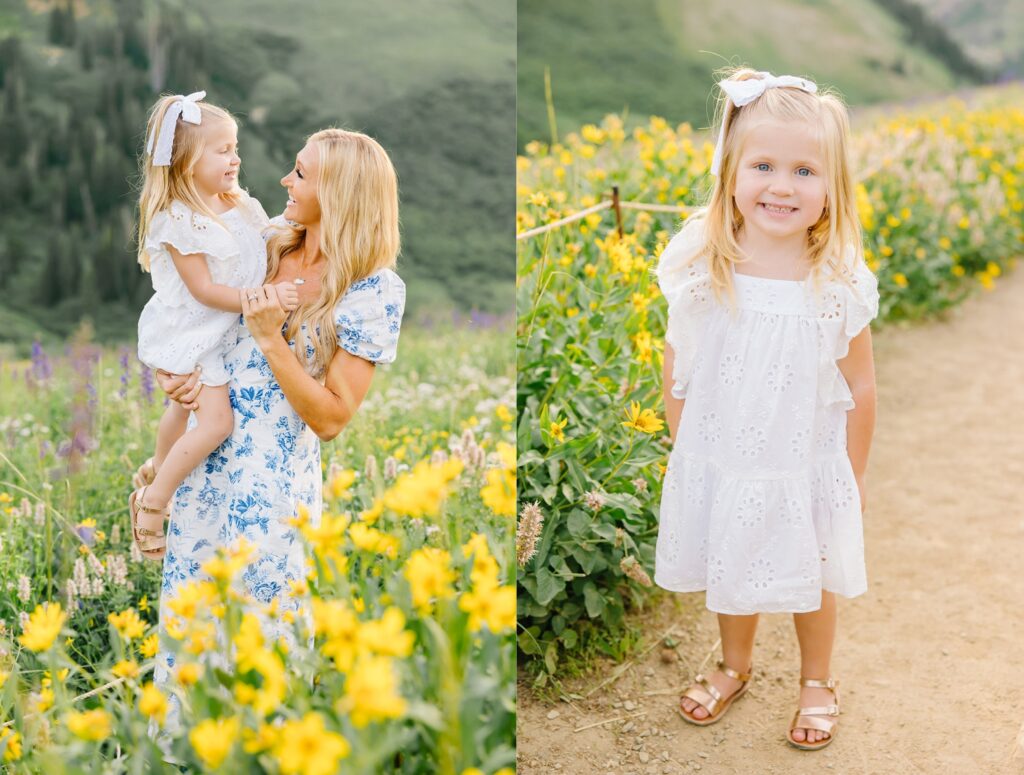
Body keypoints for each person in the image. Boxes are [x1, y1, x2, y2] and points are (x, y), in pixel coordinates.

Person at [150, 128, 406, 736]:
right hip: (206, 459)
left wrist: (271, 338)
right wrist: (175, 371)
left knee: (263, 628)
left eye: (301, 173)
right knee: (192, 626)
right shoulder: (262, 245)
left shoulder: (372, 289)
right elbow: (193, 312)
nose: (286, 182)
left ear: (339, 194)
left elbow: (333, 418)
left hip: (269, 482)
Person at [655, 68, 878, 750]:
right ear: (730, 170)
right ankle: (734, 664)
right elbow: (678, 354)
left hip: (803, 458)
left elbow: (862, 385)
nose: (782, 186)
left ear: (830, 188)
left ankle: (817, 679)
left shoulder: (833, 278)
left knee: (812, 572)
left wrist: (853, 474)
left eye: (805, 170)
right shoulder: (704, 260)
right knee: (733, 559)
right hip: (725, 451)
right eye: (763, 165)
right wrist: (682, 438)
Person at [129, 91, 298, 559]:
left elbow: (264, 241)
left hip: (229, 326)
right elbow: (203, 290)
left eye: (235, 147)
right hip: (196, 329)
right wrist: (260, 298)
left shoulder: (239, 203)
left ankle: (159, 466)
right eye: (223, 150)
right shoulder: (178, 221)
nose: (235, 158)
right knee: (215, 421)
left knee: (182, 412)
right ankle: (153, 503)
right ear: (186, 162)